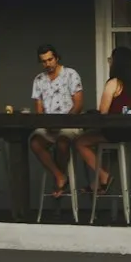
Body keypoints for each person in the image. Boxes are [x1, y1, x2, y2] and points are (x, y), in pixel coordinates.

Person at [30, 43, 85, 198]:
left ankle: (60, 183)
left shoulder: (71, 74)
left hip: (70, 123)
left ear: (57, 58)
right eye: (44, 61)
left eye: (50, 59)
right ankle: (60, 176)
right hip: (49, 125)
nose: (48, 64)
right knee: (35, 142)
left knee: (62, 141)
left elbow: (79, 104)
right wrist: (46, 123)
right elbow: (39, 109)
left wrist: (64, 121)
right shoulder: (39, 80)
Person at [87, 44, 131, 191]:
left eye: (110, 60)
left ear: (116, 62)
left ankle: (103, 177)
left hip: (116, 131)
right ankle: (99, 183)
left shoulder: (113, 83)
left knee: (80, 142)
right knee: (105, 149)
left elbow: (103, 112)